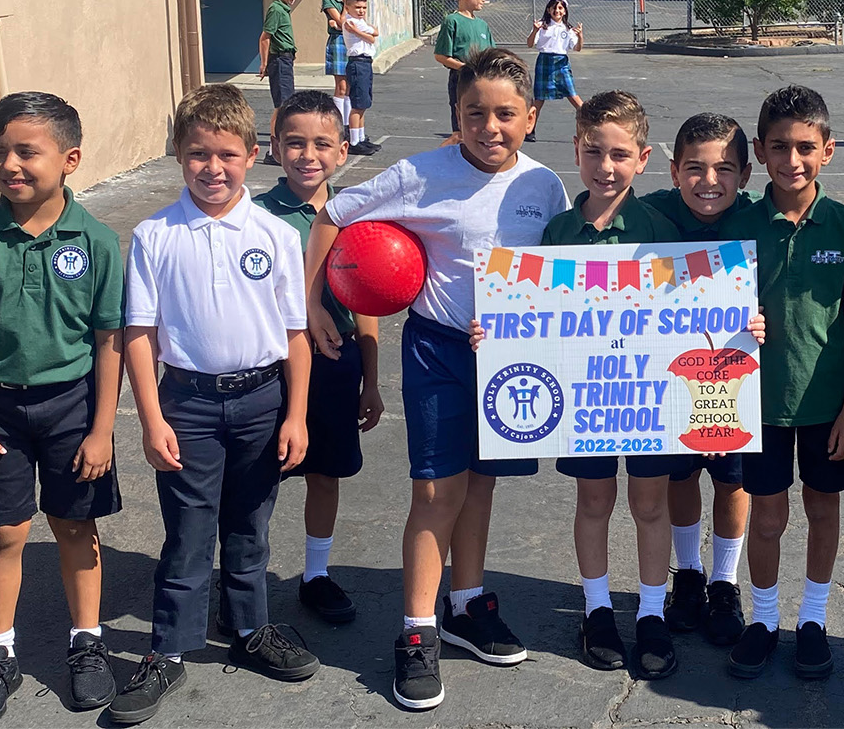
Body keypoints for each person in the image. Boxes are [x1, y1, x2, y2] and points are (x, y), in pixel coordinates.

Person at [304, 48, 567, 710]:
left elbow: (563, 275)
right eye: (474, 112)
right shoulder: (420, 175)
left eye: (506, 113)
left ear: (531, 118)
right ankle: (418, 633)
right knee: (434, 492)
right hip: (439, 353)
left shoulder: (544, 187)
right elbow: (333, 216)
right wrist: (308, 304)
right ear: (456, 115)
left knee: (480, 485)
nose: (490, 126)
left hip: (509, 359)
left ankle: (466, 604)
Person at [109, 83, 321, 725]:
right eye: (198, 153)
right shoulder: (154, 236)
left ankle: (251, 629)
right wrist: (150, 419)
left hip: (261, 399)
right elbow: (139, 335)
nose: (213, 168)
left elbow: (294, 335)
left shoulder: (275, 234)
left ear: (253, 155)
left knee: (250, 526)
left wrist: (296, 414)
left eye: (227, 154)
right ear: (179, 155)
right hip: (188, 404)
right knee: (188, 533)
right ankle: (169, 649)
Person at [0, 92, 123, 726]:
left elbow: (108, 338)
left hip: (72, 406)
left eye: (25, 151)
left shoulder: (93, 239)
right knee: (4, 532)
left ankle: (87, 644)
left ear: (69, 159)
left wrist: (102, 429)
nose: (9, 164)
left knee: (75, 527)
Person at [718, 85, 844, 682]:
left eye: (805, 147)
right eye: (779, 146)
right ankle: (763, 619)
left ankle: (812, 618)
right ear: (759, 151)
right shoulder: (736, 225)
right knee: (766, 516)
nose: (792, 160)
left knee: (823, 510)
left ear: (828, 150)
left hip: (825, 404)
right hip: (752, 403)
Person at [537, 90, 687, 679]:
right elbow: (533, 315)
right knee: (594, 501)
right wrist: (494, 332)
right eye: (594, 151)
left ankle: (651, 612)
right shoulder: (557, 232)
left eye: (620, 155)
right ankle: (597, 609)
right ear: (576, 149)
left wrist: (737, 323)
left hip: (650, 398)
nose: (606, 166)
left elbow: (697, 310)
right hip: (585, 398)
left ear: (643, 158)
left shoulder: (663, 230)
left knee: (651, 506)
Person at [253, 91, 385, 627]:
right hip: (268, 369)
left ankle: (315, 575)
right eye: (295, 143)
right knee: (258, 478)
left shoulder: (358, 215)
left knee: (324, 473)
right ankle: (244, 578)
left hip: (337, 364)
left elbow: (368, 298)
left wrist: (372, 379)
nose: (308, 155)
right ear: (275, 148)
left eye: (322, 144)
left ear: (343, 150)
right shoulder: (254, 214)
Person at [637, 112, 758, 646]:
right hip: (667, 377)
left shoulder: (757, 220)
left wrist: (761, 322)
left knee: (732, 478)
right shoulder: (646, 217)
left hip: (733, 378)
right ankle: (687, 574)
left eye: (724, 169)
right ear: (672, 170)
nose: (710, 182)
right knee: (680, 476)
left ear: (746, 174)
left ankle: (725, 581)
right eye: (695, 168)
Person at [435, 0, 495, 134]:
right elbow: (441, 55)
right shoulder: (452, 21)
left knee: (482, 126)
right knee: (463, 128)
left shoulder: (482, 25)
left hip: (483, 80)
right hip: (461, 80)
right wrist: (465, 68)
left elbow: (492, 53)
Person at [526, 0, 584, 143]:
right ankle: (529, 129)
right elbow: (530, 43)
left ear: (564, 11)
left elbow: (577, 48)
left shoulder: (568, 29)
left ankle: (589, 126)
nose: (557, 10)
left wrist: (580, 36)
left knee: (573, 96)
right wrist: (534, 31)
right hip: (545, 61)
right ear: (548, 9)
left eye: (560, 8)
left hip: (561, 63)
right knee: (539, 99)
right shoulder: (542, 26)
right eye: (554, 7)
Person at [259, 0, 301, 162]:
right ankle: (273, 152)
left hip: (286, 59)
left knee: (286, 103)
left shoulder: (283, 9)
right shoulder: (276, 10)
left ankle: (276, 149)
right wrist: (264, 62)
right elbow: (265, 37)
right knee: (282, 106)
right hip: (279, 61)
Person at [341, 0, 381, 155]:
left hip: (366, 62)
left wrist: (364, 32)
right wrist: (364, 34)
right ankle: (354, 140)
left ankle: (361, 137)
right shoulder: (350, 22)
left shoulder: (359, 22)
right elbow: (374, 36)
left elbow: (375, 31)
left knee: (363, 103)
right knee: (357, 104)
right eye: (357, 7)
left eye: (364, 7)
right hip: (358, 62)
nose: (361, 10)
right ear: (348, 7)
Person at [322, 0, 352, 125]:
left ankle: (348, 124)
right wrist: (347, 4)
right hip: (338, 42)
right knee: (341, 85)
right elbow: (342, 22)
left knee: (350, 87)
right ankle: (339, 124)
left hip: (352, 41)